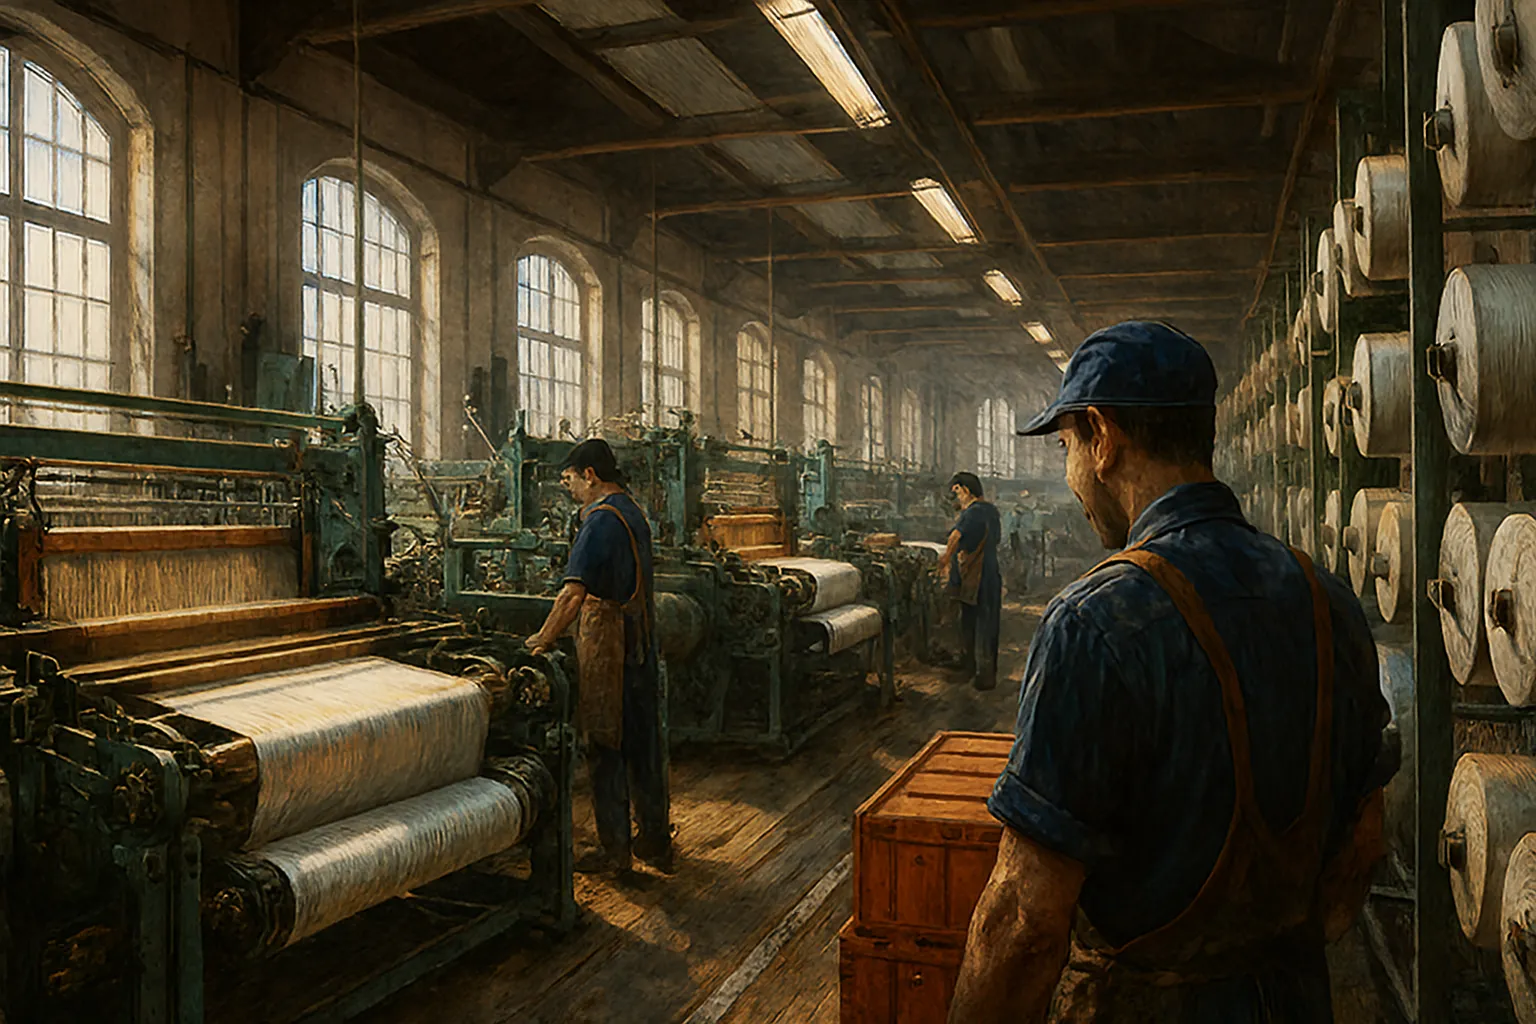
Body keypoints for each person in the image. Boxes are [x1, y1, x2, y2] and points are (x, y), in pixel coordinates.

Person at [948, 321, 1393, 1023]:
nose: (1069, 476)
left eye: (1066, 446)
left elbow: (1026, 928)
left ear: (1102, 436)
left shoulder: (1094, 623)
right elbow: (1362, 850)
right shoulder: (1326, 600)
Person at [527, 438, 672, 875]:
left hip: (610, 650)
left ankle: (614, 854)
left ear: (590, 474)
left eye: (569, 479)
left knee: (605, 746)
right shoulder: (633, 512)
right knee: (644, 745)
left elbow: (573, 597)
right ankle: (654, 841)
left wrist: (541, 641)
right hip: (640, 644)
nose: (569, 488)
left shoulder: (600, 522)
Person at [937, 471, 1002, 691]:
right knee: (985, 623)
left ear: (965, 489)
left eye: (956, 492)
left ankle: (977, 672)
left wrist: (945, 560)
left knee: (975, 623)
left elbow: (955, 536)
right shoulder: (991, 511)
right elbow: (997, 540)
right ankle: (981, 671)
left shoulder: (973, 512)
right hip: (990, 574)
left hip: (977, 577)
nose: (956, 498)